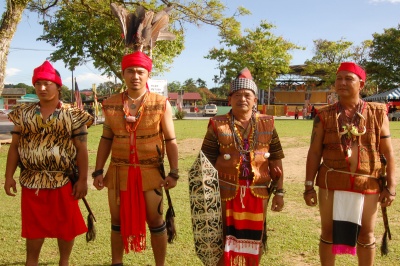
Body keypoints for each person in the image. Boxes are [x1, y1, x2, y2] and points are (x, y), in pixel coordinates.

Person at [304, 62, 396, 266]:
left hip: (368, 182)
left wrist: (391, 187)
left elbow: (388, 152)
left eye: (348, 79)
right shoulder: (323, 115)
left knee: (366, 234)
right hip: (331, 181)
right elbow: (314, 152)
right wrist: (309, 186)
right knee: (328, 232)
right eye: (339, 78)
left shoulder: (378, 112)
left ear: (361, 85)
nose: (342, 83)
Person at [92, 51, 179, 266]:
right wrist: (98, 170)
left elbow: (170, 139)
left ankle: (160, 264)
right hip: (119, 172)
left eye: (141, 71)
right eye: (130, 71)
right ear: (123, 74)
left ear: (148, 74)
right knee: (117, 221)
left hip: (150, 172)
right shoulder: (111, 104)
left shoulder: (161, 103)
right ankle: (117, 262)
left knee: (156, 220)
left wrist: (174, 171)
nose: (135, 76)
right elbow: (106, 139)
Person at [4, 61, 93, 266]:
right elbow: (15, 147)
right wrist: (8, 176)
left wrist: (82, 180)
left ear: (58, 86)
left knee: (66, 225)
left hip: (63, 180)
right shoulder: (23, 113)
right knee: (33, 227)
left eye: (47, 83)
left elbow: (81, 150)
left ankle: (64, 262)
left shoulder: (73, 114)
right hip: (31, 180)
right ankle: (31, 262)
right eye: (38, 84)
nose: (42, 88)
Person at [200, 68, 285, 266]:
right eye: (237, 95)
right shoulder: (216, 124)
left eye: (248, 95)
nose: (243, 99)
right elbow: (206, 161)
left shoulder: (268, 123)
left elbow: (276, 160)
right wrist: (206, 195)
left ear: (255, 100)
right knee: (224, 240)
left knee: (256, 241)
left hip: (258, 192)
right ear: (230, 99)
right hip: (226, 190)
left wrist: (280, 192)